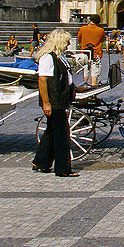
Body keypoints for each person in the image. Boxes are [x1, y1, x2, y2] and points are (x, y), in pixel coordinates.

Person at [32, 28, 78, 177]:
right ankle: (63, 169)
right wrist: (46, 103)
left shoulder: (60, 56)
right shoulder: (48, 58)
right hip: (55, 100)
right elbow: (43, 80)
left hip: (61, 97)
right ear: (59, 42)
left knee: (51, 132)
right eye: (66, 42)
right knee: (61, 134)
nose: (69, 44)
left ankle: (41, 162)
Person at [77, 14, 106, 87]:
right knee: (94, 76)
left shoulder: (83, 29)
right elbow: (102, 40)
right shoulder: (101, 30)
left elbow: (79, 40)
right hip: (96, 54)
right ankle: (93, 94)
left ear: (90, 21)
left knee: (84, 73)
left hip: (84, 54)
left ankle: (83, 89)